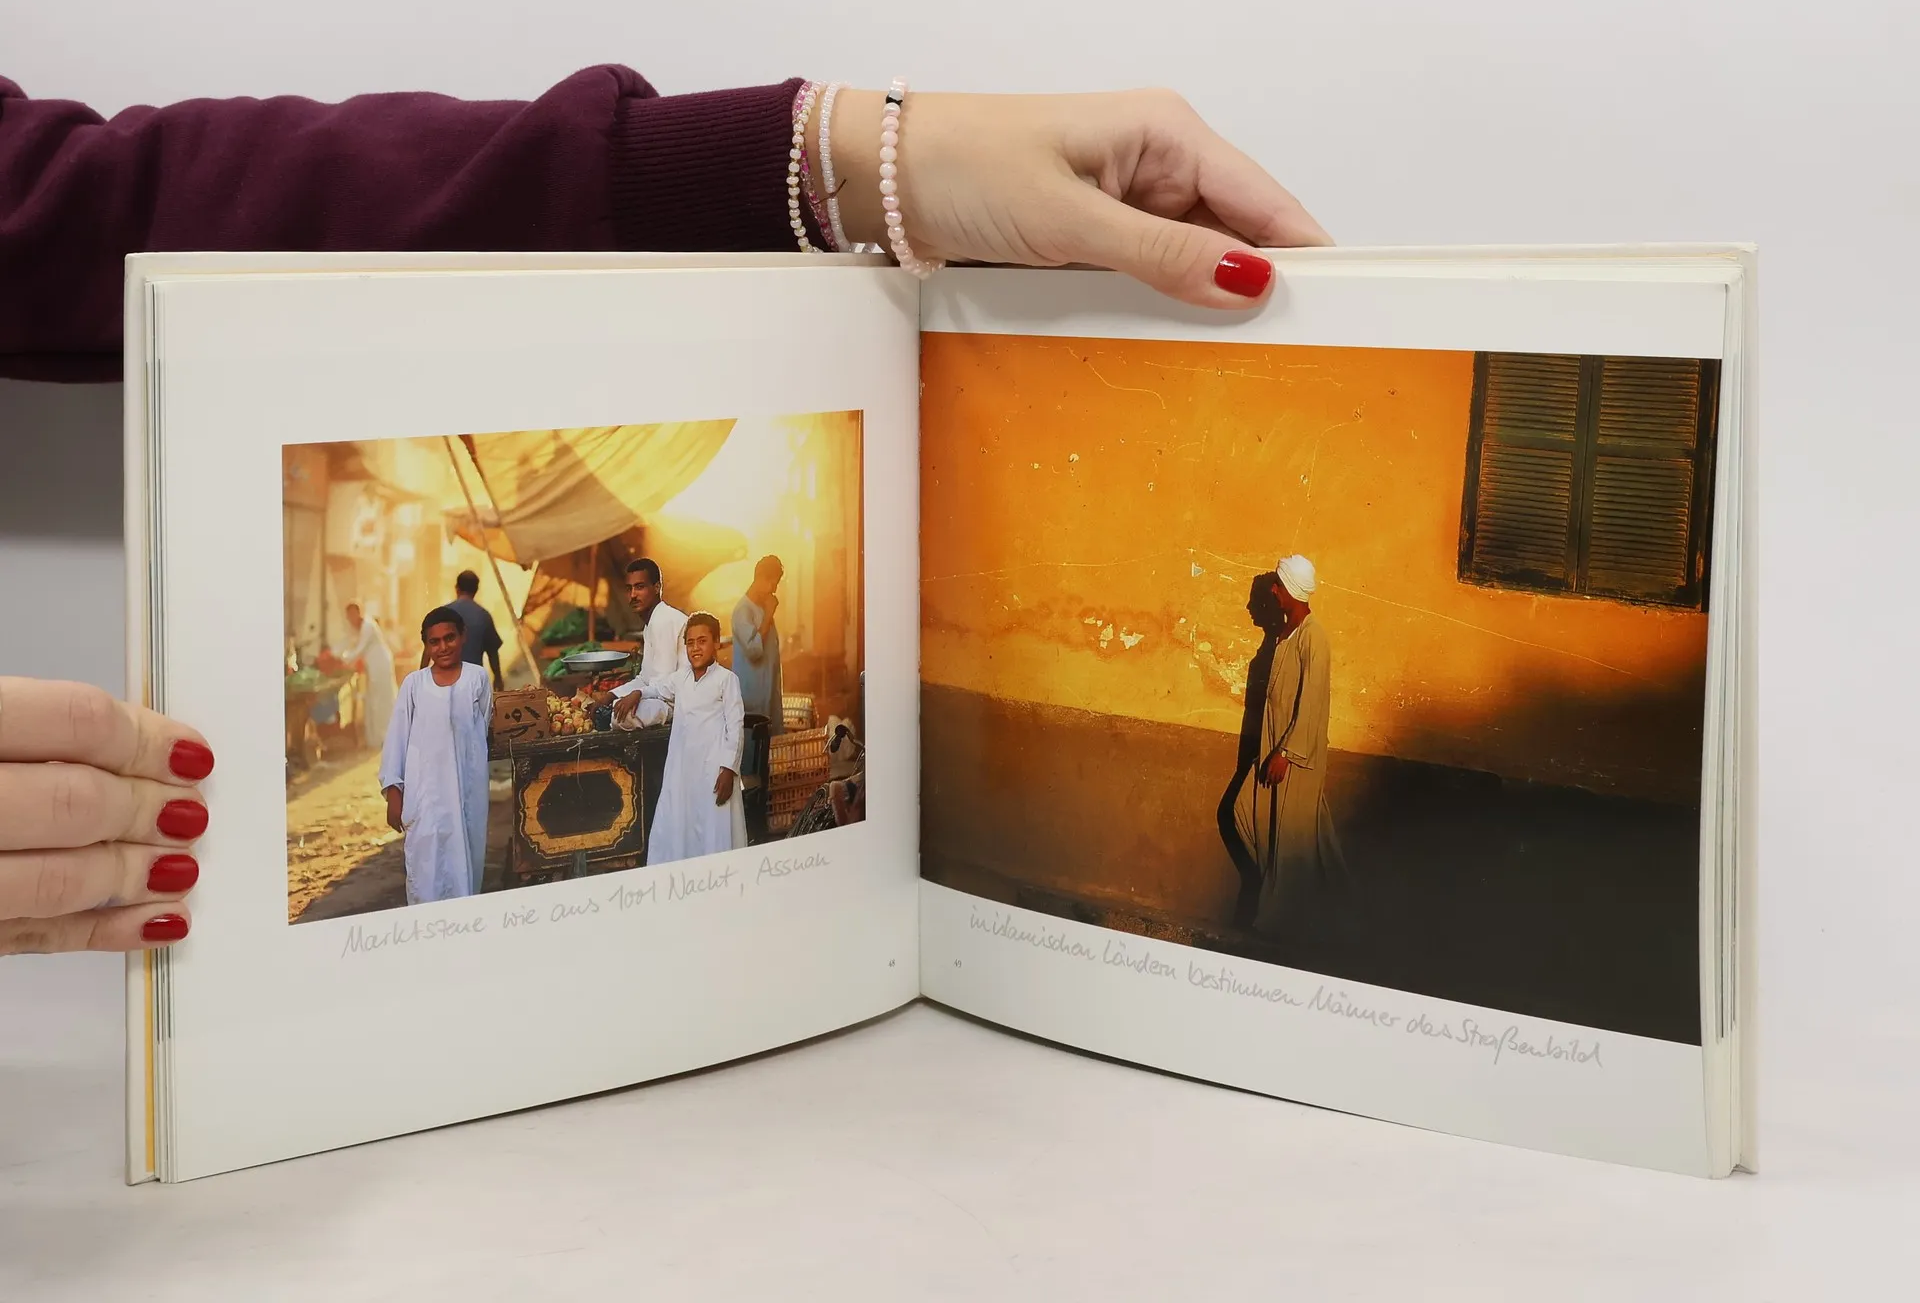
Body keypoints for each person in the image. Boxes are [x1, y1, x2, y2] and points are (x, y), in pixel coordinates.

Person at [0, 70, 1327, 952]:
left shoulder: (712, 645)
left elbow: (67, 204)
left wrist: (849, 157)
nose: (667, 609)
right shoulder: (583, 652)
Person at [1249, 555, 1345, 938]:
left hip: (1296, 755)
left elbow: (1313, 701)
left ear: (1290, 590)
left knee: (1291, 841)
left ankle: (1280, 925)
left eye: (1278, 585)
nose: (1272, 591)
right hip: (1274, 744)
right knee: (1254, 816)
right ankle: (1335, 906)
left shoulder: (1313, 637)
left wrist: (1286, 753)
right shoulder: (1284, 633)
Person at [379, 606, 494, 905]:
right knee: (425, 869)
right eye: (435, 641)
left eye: (449, 638)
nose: (443, 647)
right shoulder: (414, 685)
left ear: (463, 636)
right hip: (425, 794)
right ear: (426, 646)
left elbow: (481, 729)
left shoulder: (477, 678)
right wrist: (394, 792)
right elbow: (397, 738)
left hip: (466, 793)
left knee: (465, 865)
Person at [1216, 569, 1291, 931]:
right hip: (1260, 747)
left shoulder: (1300, 642)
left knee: (1237, 812)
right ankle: (1262, 895)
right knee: (1240, 816)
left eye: (1258, 599)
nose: (1250, 607)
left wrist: (1285, 752)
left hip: (1278, 752)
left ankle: (1263, 896)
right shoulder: (1278, 641)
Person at [642, 613, 747, 866]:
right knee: (681, 823)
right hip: (683, 770)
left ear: (716, 643)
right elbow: (657, 688)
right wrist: (637, 694)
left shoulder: (726, 680)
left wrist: (728, 769)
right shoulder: (681, 679)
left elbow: (735, 727)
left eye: (702, 641)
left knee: (713, 825)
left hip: (714, 769)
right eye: (690, 643)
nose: (695, 648)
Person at [610, 557, 688, 729]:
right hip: (660, 697)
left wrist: (638, 694)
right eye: (629, 589)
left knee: (622, 716)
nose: (633, 595)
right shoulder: (651, 623)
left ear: (657, 587)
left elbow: (665, 684)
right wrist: (611, 695)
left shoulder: (664, 620)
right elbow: (646, 678)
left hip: (679, 703)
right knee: (615, 707)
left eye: (639, 587)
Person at [730, 556, 786, 735]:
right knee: (752, 745)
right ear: (760, 578)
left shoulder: (760, 608)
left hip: (766, 695)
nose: (774, 589)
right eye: (772, 583)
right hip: (750, 699)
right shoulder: (742, 610)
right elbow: (753, 650)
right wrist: (769, 614)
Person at [338, 601, 398, 751]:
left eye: (351, 615)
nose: (350, 620)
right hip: (373, 666)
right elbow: (349, 645)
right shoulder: (358, 629)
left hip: (380, 665)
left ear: (358, 613)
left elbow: (359, 649)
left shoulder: (368, 626)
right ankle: (375, 739)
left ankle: (385, 738)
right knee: (372, 702)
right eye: (348, 617)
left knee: (382, 701)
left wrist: (343, 660)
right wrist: (340, 656)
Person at [450, 570, 506, 692]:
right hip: (473, 685)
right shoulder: (483, 616)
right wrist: (497, 678)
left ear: (457, 588)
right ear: (476, 590)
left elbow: (428, 650)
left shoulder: (444, 613)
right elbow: (492, 652)